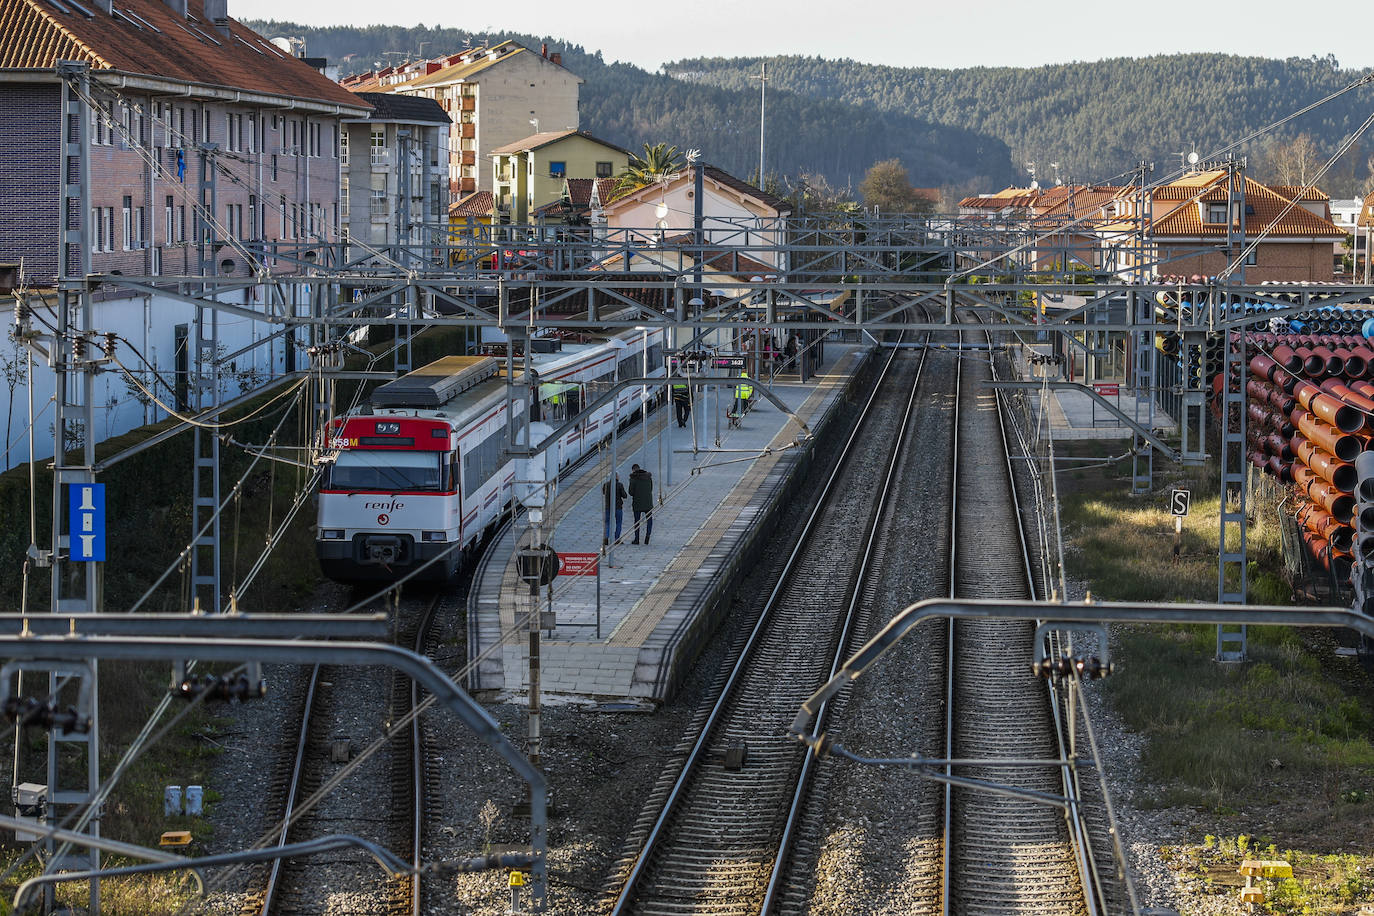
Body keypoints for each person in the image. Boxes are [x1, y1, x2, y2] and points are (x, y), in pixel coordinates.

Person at [629, 463, 654, 545]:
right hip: (648, 503)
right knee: (649, 520)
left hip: (637, 503)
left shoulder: (633, 479)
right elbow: (651, 488)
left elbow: (631, 492)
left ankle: (637, 539)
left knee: (637, 521)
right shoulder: (648, 477)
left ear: (633, 470)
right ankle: (647, 537)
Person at [602, 474, 626, 546]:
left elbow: (603, 492)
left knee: (607, 522)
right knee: (618, 522)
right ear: (616, 477)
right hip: (618, 507)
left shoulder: (606, 485)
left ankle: (606, 538)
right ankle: (617, 539)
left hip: (608, 507)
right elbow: (624, 495)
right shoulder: (620, 485)